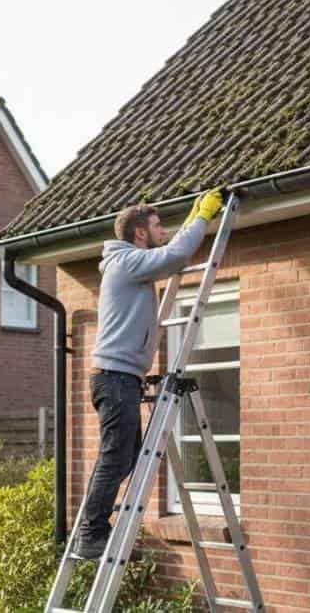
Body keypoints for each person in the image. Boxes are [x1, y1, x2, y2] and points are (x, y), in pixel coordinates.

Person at [74, 188, 224, 559]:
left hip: (121, 379)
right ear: (139, 232)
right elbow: (173, 255)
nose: (164, 231)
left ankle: (97, 531)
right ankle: (92, 534)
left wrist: (193, 218)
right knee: (115, 456)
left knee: (126, 458)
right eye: (158, 226)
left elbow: (167, 250)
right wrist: (203, 217)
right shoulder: (127, 263)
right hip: (116, 379)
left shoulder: (128, 263)